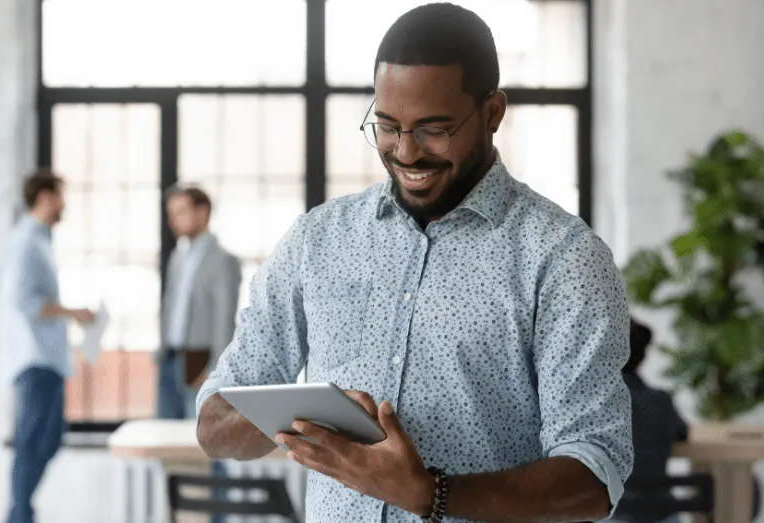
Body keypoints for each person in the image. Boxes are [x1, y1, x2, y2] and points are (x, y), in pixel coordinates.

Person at [195, 4, 633, 523]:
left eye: (434, 129)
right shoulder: (317, 241)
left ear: (493, 112)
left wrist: (429, 493)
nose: (406, 152)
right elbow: (214, 424)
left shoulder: (563, 258)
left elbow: (593, 476)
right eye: (386, 126)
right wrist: (301, 419)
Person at [0, 169, 94, 523]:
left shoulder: (40, 240)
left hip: (48, 359)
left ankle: (19, 512)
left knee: (49, 439)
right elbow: (22, 300)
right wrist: (74, 313)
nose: (63, 203)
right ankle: (19, 516)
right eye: (59, 195)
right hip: (33, 359)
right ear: (43, 197)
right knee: (29, 443)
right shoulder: (25, 240)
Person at [157, 185, 241, 420]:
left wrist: (215, 367)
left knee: (203, 433)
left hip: (200, 356)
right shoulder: (178, 257)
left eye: (180, 212)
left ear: (203, 212)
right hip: (170, 356)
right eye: (171, 214)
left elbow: (224, 318)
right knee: (167, 435)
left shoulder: (223, 261)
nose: (173, 221)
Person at [611, 319, 688, 523]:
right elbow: (682, 433)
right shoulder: (660, 401)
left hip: (613, 513)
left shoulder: (596, 405)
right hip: (660, 513)